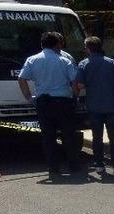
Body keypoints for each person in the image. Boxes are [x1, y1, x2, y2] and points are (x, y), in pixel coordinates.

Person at [17, 31, 79, 180]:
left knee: (48, 137)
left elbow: (21, 78)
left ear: (42, 44)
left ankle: (53, 167)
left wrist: (29, 97)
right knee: (68, 135)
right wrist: (75, 95)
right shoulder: (64, 60)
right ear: (57, 44)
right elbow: (74, 81)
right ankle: (73, 165)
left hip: (43, 103)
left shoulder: (32, 60)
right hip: (63, 102)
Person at [74, 36, 114, 175]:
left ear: (88, 49)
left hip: (94, 106)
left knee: (97, 137)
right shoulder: (112, 63)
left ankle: (99, 165)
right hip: (111, 104)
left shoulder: (84, 64)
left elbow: (80, 85)